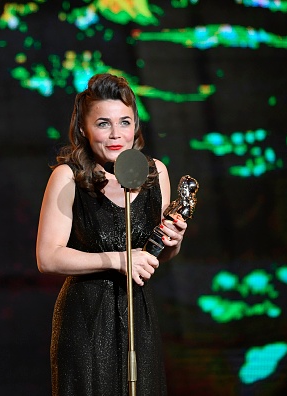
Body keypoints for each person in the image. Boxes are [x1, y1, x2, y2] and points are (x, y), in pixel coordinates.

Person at [36, 73, 187, 395]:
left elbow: (155, 254)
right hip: (87, 317)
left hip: (137, 315)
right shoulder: (68, 177)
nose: (116, 134)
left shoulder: (154, 172)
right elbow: (48, 257)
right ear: (83, 129)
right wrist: (119, 260)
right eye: (103, 123)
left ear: (136, 127)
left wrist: (174, 240)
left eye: (125, 122)